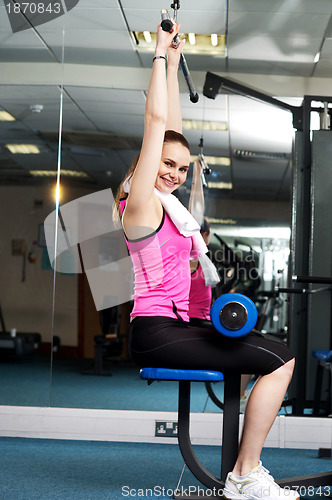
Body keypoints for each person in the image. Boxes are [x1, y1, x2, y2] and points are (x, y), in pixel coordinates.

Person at [115, 20, 298, 500]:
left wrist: (176, 64)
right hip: (155, 333)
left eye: (180, 167)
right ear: (143, 166)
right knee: (279, 360)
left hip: (181, 325)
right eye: (164, 165)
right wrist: (157, 54)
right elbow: (157, 127)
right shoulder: (139, 205)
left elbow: (170, 130)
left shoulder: (171, 207)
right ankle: (244, 475)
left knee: (275, 349)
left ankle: (241, 473)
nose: (173, 174)